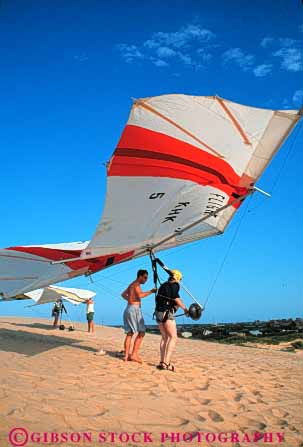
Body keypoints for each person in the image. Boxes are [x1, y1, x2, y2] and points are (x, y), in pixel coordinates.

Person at [154, 269, 189, 372]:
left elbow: (177, 299)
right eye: (180, 279)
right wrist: (186, 309)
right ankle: (166, 363)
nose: (180, 282)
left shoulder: (163, 285)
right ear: (177, 278)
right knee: (173, 337)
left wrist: (178, 306)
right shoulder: (175, 286)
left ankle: (161, 362)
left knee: (164, 337)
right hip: (166, 313)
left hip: (158, 313)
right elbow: (176, 299)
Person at [121, 269, 156, 363]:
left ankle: (126, 356)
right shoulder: (136, 284)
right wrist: (151, 291)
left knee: (129, 333)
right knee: (142, 332)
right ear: (140, 276)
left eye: (147, 278)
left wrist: (131, 299)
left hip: (128, 308)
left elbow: (123, 295)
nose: (146, 280)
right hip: (134, 309)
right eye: (145, 277)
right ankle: (134, 354)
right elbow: (140, 295)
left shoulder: (131, 284)